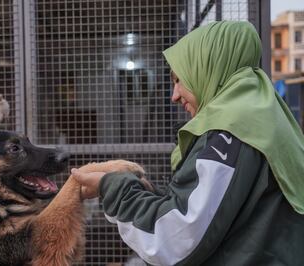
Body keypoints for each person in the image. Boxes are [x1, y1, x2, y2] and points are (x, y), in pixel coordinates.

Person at [71, 21, 304, 266]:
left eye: (179, 79)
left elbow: (176, 239)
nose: (175, 95)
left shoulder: (230, 131)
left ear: (205, 69)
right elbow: (224, 212)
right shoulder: (263, 113)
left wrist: (114, 189)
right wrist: (149, 194)